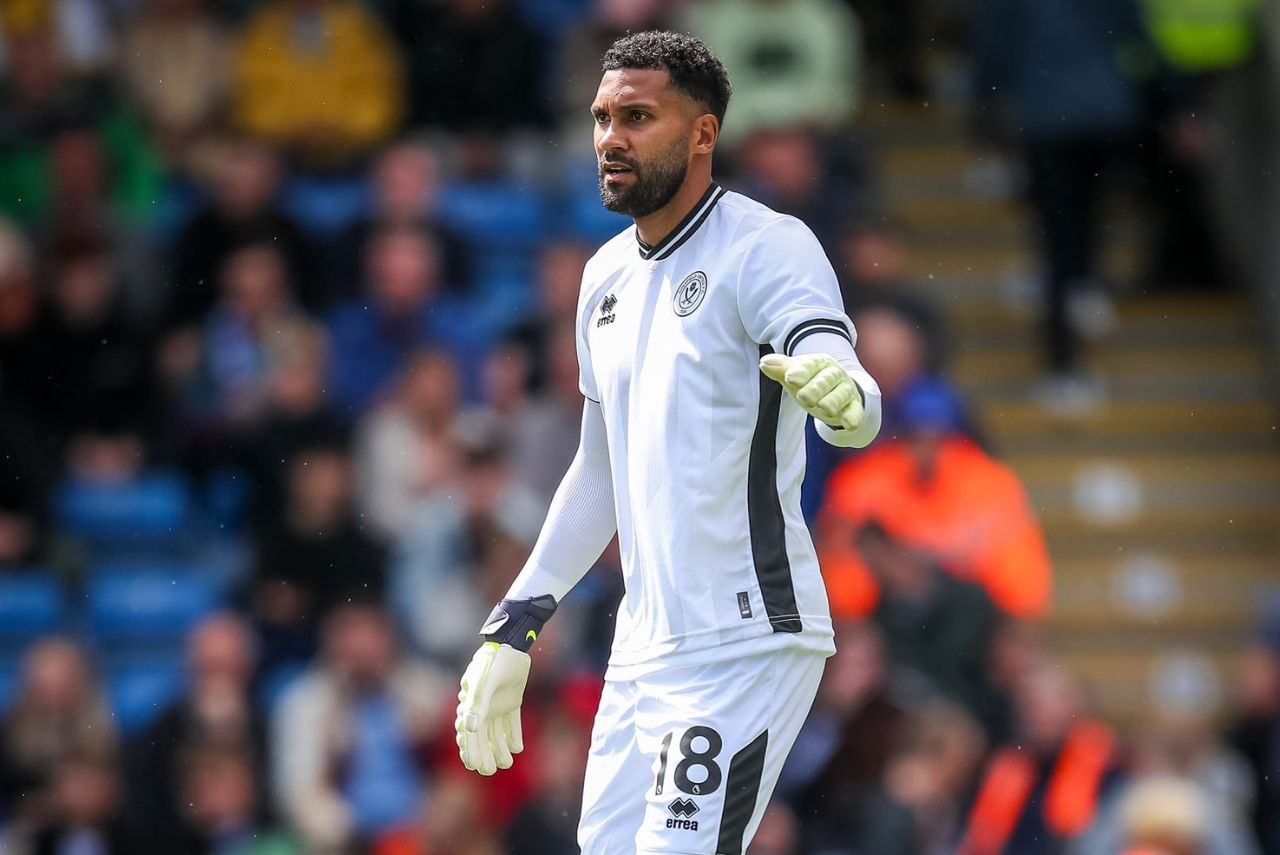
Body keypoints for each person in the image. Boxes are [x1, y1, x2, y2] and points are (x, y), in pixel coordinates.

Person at [452, 31, 882, 855]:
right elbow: (598, 469)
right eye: (602, 117)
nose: (610, 137)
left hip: (746, 633)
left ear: (701, 135)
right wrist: (517, 621)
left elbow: (839, 372)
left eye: (637, 117)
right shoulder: (602, 276)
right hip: (642, 649)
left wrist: (849, 405)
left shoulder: (766, 245)